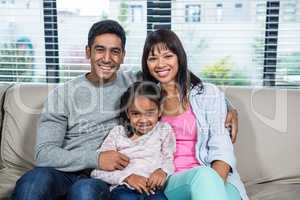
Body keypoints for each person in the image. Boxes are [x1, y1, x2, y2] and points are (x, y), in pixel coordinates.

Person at [11, 19, 239, 200]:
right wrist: (97, 159)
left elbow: (176, 79)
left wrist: (227, 107)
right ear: (88, 52)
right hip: (68, 171)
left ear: (123, 56)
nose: (107, 59)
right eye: (100, 50)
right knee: (33, 182)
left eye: (115, 51)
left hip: (105, 177)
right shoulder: (61, 94)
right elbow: (44, 153)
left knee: (85, 192)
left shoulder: (134, 81)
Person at [141, 29, 249, 200]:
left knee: (220, 188)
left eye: (168, 56)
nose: (160, 64)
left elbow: (222, 148)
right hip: (171, 180)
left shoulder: (207, 94)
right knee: (204, 176)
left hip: (214, 176)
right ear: (146, 63)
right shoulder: (147, 99)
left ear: (180, 58)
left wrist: (211, 186)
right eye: (153, 58)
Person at [91, 81, 175, 200]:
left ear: (160, 111)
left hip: (153, 188)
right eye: (136, 114)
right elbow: (97, 171)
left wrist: (163, 171)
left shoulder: (164, 130)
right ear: (128, 113)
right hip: (124, 188)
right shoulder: (118, 133)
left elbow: (169, 158)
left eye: (149, 113)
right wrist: (126, 177)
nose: (143, 120)